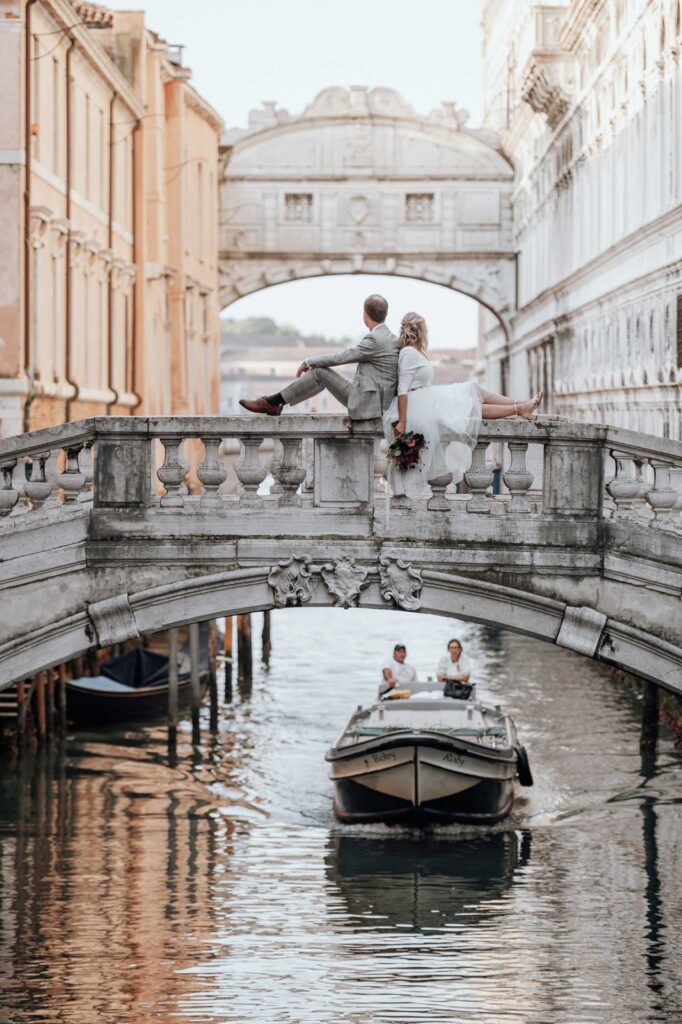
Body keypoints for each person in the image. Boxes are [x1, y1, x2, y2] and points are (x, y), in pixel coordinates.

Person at [383, 312, 543, 497]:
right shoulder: (409, 353)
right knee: (472, 404)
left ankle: (521, 405)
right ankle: (520, 407)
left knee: (473, 390)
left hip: (427, 399)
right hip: (417, 405)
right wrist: (402, 421)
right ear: (422, 330)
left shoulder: (417, 352)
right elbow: (403, 389)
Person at [239, 294, 399, 421]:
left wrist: (309, 362)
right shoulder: (393, 339)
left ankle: (271, 402)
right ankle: (274, 403)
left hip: (366, 404)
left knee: (319, 372)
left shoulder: (374, 340)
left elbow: (341, 357)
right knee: (320, 376)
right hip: (380, 404)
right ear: (385, 314)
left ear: (365, 314)